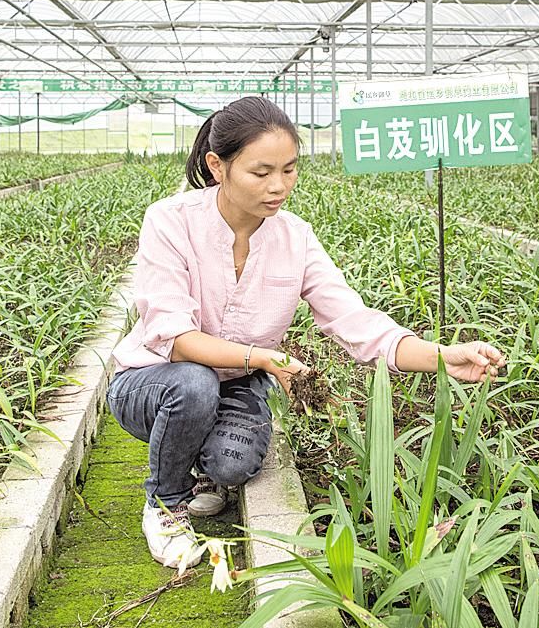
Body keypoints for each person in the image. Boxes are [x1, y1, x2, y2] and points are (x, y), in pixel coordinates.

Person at [107, 97, 506, 571]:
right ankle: (165, 503)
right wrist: (264, 358)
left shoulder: (294, 238)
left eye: (290, 170)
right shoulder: (170, 221)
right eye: (261, 172)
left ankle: (203, 468)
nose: (279, 187)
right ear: (218, 166)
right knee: (194, 383)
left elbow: (356, 323)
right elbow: (175, 339)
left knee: (234, 464)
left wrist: (444, 356)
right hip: (154, 381)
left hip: (233, 382)